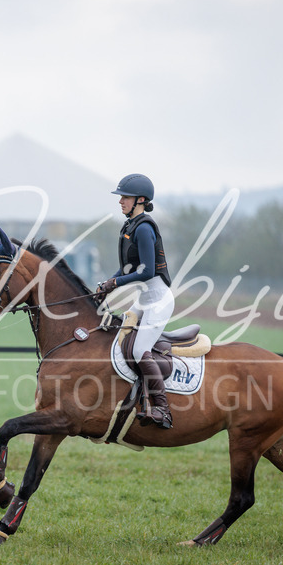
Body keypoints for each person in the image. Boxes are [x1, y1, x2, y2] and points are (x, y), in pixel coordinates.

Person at [96, 173, 175, 429]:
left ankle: (163, 409)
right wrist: (107, 284)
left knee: (140, 350)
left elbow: (147, 271)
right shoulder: (130, 225)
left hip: (158, 301)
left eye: (125, 197)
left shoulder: (143, 228)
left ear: (140, 200)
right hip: (143, 299)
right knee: (118, 334)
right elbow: (127, 267)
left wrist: (115, 283)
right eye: (121, 197)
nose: (120, 201)